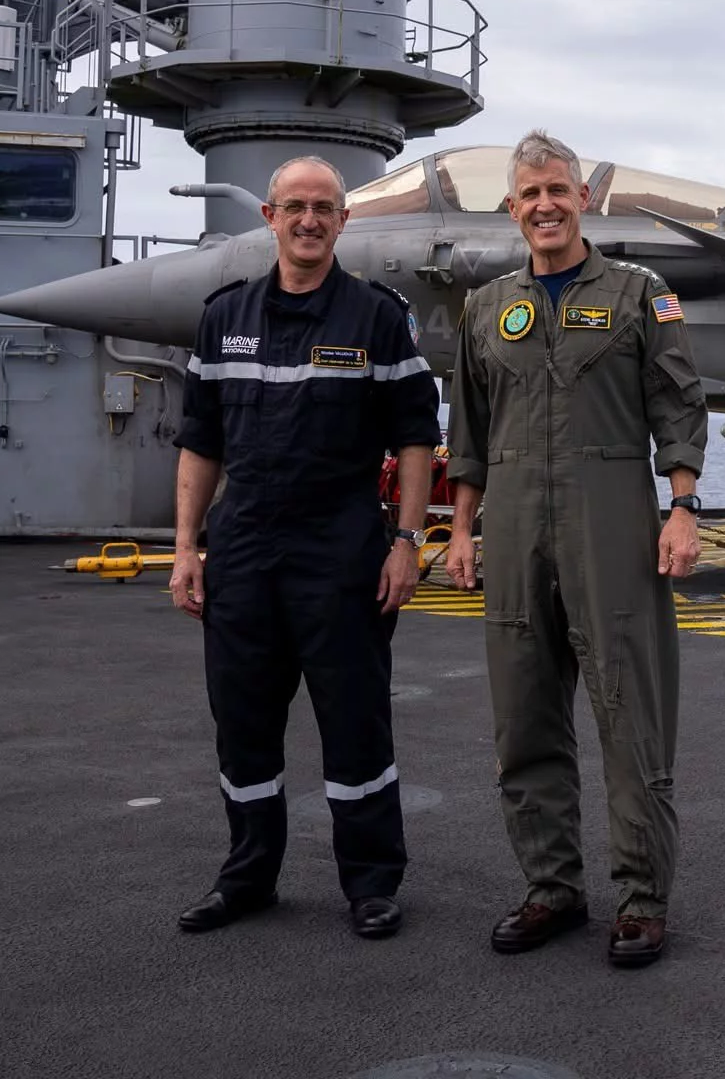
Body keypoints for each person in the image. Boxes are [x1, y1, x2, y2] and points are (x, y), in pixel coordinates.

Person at [444, 129, 707, 968]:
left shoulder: (639, 295)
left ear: (581, 198)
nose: (546, 205)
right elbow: (471, 434)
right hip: (514, 524)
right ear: (512, 208)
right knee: (523, 717)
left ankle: (641, 899)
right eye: (530, 195)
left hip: (611, 520)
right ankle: (551, 888)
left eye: (558, 190)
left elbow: (678, 405)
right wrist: (459, 529)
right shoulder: (487, 308)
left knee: (629, 713)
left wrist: (684, 507)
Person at [168, 154, 440, 941]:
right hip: (245, 550)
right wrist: (188, 548)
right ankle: (247, 876)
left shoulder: (377, 317)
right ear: (270, 217)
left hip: (342, 551)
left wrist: (406, 541)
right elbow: (198, 444)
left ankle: (372, 885)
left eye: (325, 207)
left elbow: (417, 438)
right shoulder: (223, 317)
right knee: (243, 723)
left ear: (344, 221)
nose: (310, 220)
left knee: (356, 723)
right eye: (295, 207)